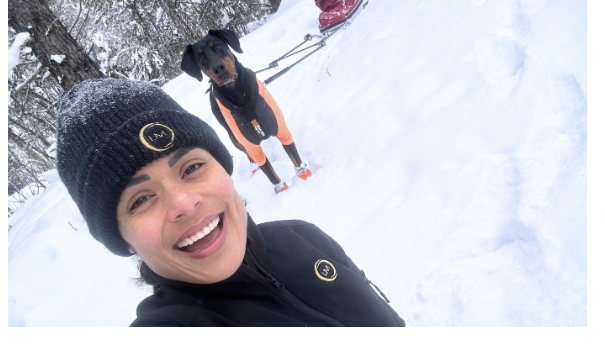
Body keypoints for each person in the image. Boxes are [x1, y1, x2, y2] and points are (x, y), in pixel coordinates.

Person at [55, 79, 402, 326]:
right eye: (141, 199)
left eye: (191, 167)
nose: (185, 203)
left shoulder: (303, 236)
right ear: (122, 239)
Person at [179, 29, 311, 193]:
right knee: (240, 141)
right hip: (226, 103)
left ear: (229, 46)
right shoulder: (217, 103)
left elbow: (285, 134)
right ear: (198, 68)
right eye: (203, 60)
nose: (216, 65)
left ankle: (300, 166)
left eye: (218, 48)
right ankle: (274, 180)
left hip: (252, 91)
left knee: (281, 130)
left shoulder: (256, 87)